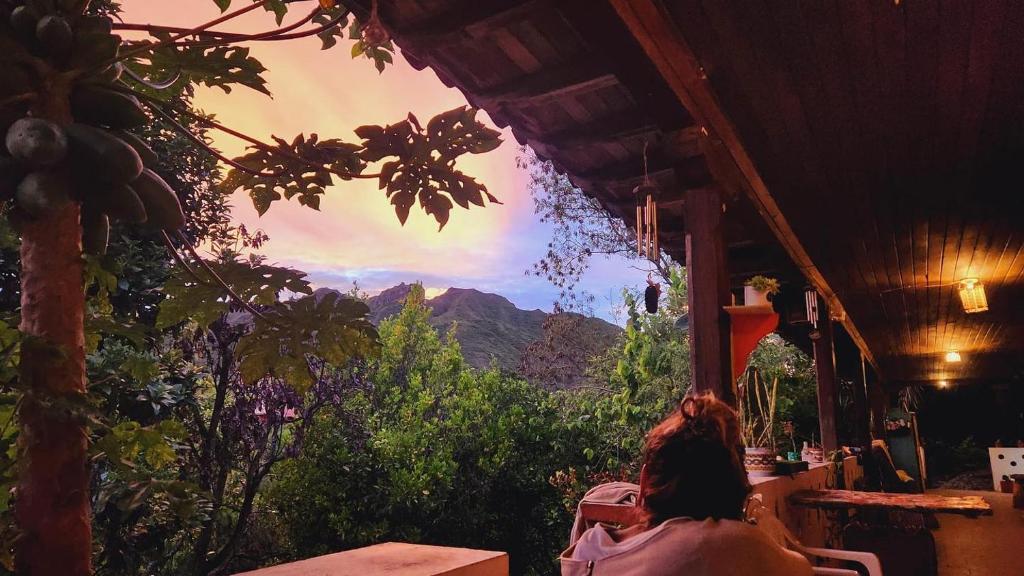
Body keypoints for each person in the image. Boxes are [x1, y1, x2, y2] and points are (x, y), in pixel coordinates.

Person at [560, 393, 813, 576]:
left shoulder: (587, 551)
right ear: (737, 487)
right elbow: (802, 567)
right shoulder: (740, 546)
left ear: (645, 482)